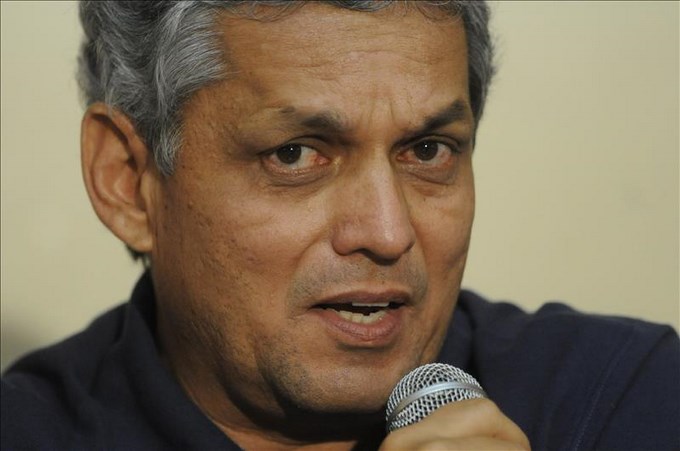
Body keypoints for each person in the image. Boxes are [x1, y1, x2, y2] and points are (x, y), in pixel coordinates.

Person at [1, 1, 678, 450]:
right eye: (295, 155)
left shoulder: (621, 401)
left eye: (428, 151)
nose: (386, 233)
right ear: (127, 180)